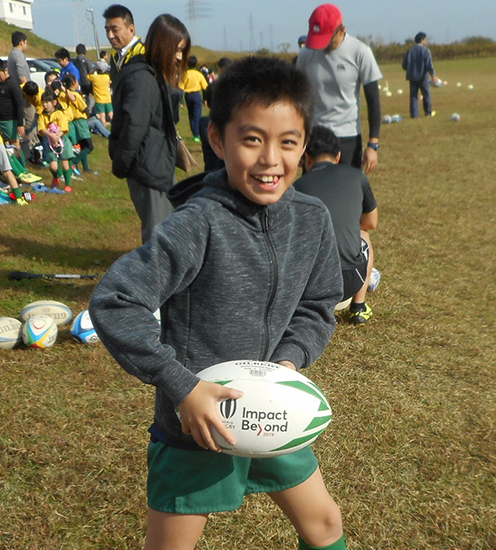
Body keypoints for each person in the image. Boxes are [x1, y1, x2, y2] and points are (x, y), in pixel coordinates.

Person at [89, 56, 346, 550]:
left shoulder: (312, 219)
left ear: (304, 146)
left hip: (272, 416)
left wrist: (287, 364)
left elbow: (318, 303)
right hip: (198, 427)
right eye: (252, 139)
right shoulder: (198, 223)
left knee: (325, 525)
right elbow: (116, 301)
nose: (270, 159)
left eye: (287, 142)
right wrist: (182, 387)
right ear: (217, 139)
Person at [107, 10, 188, 244]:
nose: (180, 57)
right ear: (162, 45)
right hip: (147, 166)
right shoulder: (142, 77)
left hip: (157, 162)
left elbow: (169, 118)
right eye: (177, 49)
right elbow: (134, 126)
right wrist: (122, 163)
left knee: (168, 226)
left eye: (183, 51)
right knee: (158, 234)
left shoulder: (155, 73)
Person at [294, 125, 378, 325]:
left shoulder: (297, 188)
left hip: (310, 286)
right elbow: (371, 222)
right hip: (350, 280)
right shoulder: (357, 175)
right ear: (338, 156)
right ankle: (359, 307)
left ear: (306, 158)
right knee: (364, 234)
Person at [296, 3, 382, 175]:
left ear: (341, 30)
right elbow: (298, 99)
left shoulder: (360, 52)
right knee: (314, 189)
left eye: (326, 38)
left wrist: (373, 144)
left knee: (347, 187)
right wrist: (298, 142)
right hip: (315, 136)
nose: (321, 45)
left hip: (348, 137)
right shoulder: (306, 55)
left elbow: (373, 100)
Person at [38, 90, 75, 192]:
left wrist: (57, 137)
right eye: (43, 102)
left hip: (62, 141)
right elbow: (41, 129)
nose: (44, 105)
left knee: (65, 163)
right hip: (50, 143)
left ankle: (68, 184)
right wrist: (51, 136)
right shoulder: (42, 115)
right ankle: (56, 176)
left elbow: (64, 128)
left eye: (47, 102)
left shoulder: (60, 113)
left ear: (54, 102)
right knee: (53, 166)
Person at [0, 57, 26, 154]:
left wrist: (20, 124)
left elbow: (20, 104)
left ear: (5, 70)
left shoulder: (13, 84)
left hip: (10, 120)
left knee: (14, 144)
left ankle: (20, 162)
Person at [61, 73, 96, 175]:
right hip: (81, 121)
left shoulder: (65, 94)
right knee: (89, 146)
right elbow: (84, 108)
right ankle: (74, 162)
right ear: (74, 82)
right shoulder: (75, 95)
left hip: (75, 122)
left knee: (82, 145)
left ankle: (86, 168)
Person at [104, 4, 145, 82]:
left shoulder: (143, 54)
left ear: (131, 30)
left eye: (115, 30)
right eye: (107, 30)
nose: (110, 36)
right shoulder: (115, 56)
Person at [402, 32, 438, 119]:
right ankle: (428, 113)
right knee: (426, 95)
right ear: (422, 40)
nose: (425, 41)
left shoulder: (410, 51)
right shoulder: (425, 50)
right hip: (423, 77)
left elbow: (404, 65)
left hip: (412, 77)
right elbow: (429, 64)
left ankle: (414, 115)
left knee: (413, 96)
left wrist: (411, 69)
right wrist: (433, 75)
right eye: (425, 39)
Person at [180, 55, 208, 141]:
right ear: (196, 64)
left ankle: (195, 133)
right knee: (197, 114)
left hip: (188, 96)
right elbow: (205, 88)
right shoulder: (199, 74)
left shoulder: (184, 74)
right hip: (196, 95)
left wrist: (181, 101)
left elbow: (180, 88)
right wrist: (205, 99)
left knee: (191, 114)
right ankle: (198, 133)